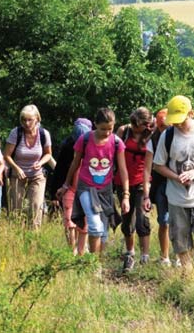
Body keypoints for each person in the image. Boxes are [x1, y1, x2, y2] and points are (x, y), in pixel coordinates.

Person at [153, 96, 194, 274]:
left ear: (191, 114)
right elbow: (158, 165)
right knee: (179, 237)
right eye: (173, 121)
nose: (176, 125)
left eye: (180, 121)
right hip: (176, 196)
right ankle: (188, 272)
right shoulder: (167, 136)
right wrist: (176, 177)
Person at [62, 108, 130, 256]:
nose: (106, 132)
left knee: (103, 232)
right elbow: (75, 163)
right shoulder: (85, 140)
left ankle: (98, 264)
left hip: (105, 189)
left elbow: (123, 170)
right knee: (95, 226)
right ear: (95, 125)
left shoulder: (117, 143)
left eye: (110, 129)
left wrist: (125, 195)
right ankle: (93, 264)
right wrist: (66, 185)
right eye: (102, 129)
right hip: (86, 187)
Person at [115, 107, 154, 272]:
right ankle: (130, 252)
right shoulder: (123, 131)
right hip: (122, 181)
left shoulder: (152, 135)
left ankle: (145, 255)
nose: (134, 127)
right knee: (126, 217)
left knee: (142, 218)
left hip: (142, 181)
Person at [4, 104, 53, 230]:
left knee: (36, 208)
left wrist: (41, 162)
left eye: (29, 119)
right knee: (16, 209)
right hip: (17, 176)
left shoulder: (44, 134)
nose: (26, 123)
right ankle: (16, 237)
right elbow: (7, 155)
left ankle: (34, 239)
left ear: (37, 118)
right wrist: (16, 168)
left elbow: (48, 154)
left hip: (37, 176)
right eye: (23, 120)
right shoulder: (16, 133)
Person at [53, 118, 92, 255]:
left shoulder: (93, 147)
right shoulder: (67, 147)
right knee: (69, 220)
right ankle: (72, 251)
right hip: (69, 187)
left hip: (86, 189)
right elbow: (59, 171)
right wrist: (56, 191)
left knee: (84, 221)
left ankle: (81, 250)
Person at [143, 108, 175, 266]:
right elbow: (147, 169)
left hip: (178, 184)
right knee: (164, 221)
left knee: (181, 222)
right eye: (161, 126)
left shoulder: (179, 136)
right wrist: (146, 195)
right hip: (161, 184)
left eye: (167, 126)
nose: (164, 129)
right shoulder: (152, 141)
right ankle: (165, 257)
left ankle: (181, 256)